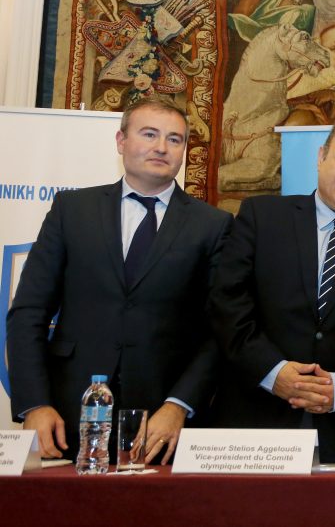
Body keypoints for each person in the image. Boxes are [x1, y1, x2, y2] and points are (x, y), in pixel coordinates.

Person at [6, 99, 232, 464]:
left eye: (174, 139)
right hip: (67, 416)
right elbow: (29, 312)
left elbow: (219, 328)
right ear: (121, 141)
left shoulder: (213, 225)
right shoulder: (72, 211)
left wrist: (179, 404)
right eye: (149, 134)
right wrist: (34, 403)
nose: (161, 147)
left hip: (163, 423)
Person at [209, 117, 335, 464]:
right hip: (254, 424)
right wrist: (274, 373)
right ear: (321, 157)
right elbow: (227, 302)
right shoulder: (262, 216)